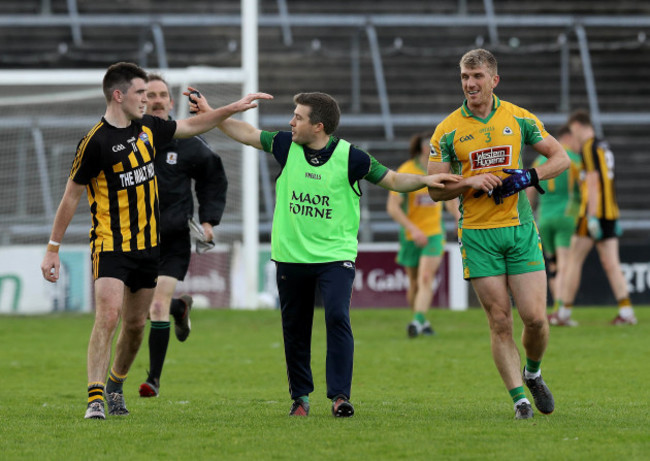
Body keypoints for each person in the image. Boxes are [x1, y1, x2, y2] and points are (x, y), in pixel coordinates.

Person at [191, 90, 461, 417]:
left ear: (317, 126)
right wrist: (211, 111)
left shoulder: (352, 157)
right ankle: (300, 398)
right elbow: (246, 133)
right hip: (291, 256)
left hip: (335, 255)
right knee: (295, 327)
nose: (291, 122)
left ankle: (340, 397)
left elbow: (392, 179)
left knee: (337, 316)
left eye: (298, 117)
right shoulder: (284, 145)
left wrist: (426, 179)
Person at [39, 61, 271, 420]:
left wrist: (231, 108)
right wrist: (53, 249)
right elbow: (71, 196)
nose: (147, 100)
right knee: (109, 315)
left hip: (150, 246)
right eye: (140, 93)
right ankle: (96, 398)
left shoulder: (148, 128)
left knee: (135, 325)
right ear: (119, 96)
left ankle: (116, 385)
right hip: (110, 244)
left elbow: (192, 124)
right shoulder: (95, 142)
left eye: (150, 94)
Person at [427, 49, 570, 419]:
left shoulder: (519, 117)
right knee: (500, 319)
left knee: (536, 318)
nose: (470, 84)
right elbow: (435, 189)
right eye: (464, 77)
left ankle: (533, 372)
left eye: (476, 76)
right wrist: (469, 181)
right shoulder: (447, 130)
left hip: (519, 230)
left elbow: (560, 158)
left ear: (494, 80)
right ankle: (520, 400)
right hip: (477, 234)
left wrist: (528, 176)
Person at [137, 74, 229, 398]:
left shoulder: (188, 142)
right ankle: (180, 309)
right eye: (151, 95)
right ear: (140, 100)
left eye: (163, 94)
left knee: (156, 305)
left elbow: (213, 176)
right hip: (134, 239)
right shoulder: (129, 141)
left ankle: (153, 381)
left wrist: (208, 221)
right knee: (136, 309)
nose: (158, 100)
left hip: (173, 238)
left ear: (171, 102)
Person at [555, 110, 637, 326]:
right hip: (609, 212)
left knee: (573, 260)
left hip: (593, 212)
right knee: (612, 263)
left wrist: (591, 217)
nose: (573, 137)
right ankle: (627, 311)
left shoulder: (589, 147)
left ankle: (563, 313)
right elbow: (608, 181)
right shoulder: (603, 145)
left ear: (580, 127)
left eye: (573, 131)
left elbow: (593, 181)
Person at [386, 131, 460, 338]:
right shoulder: (406, 171)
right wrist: (412, 229)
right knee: (415, 283)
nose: (431, 147)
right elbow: (393, 207)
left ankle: (417, 321)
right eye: (428, 143)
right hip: (411, 236)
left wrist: (457, 217)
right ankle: (420, 320)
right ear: (420, 146)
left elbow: (449, 200)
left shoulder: (441, 170)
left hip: (434, 234)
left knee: (426, 277)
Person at [525, 125, 582, 324]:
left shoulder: (540, 160)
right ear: (567, 136)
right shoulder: (573, 160)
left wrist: (529, 214)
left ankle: (556, 309)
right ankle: (561, 309)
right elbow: (585, 188)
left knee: (553, 264)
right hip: (567, 215)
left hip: (544, 217)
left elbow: (530, 190)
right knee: (566, 262)